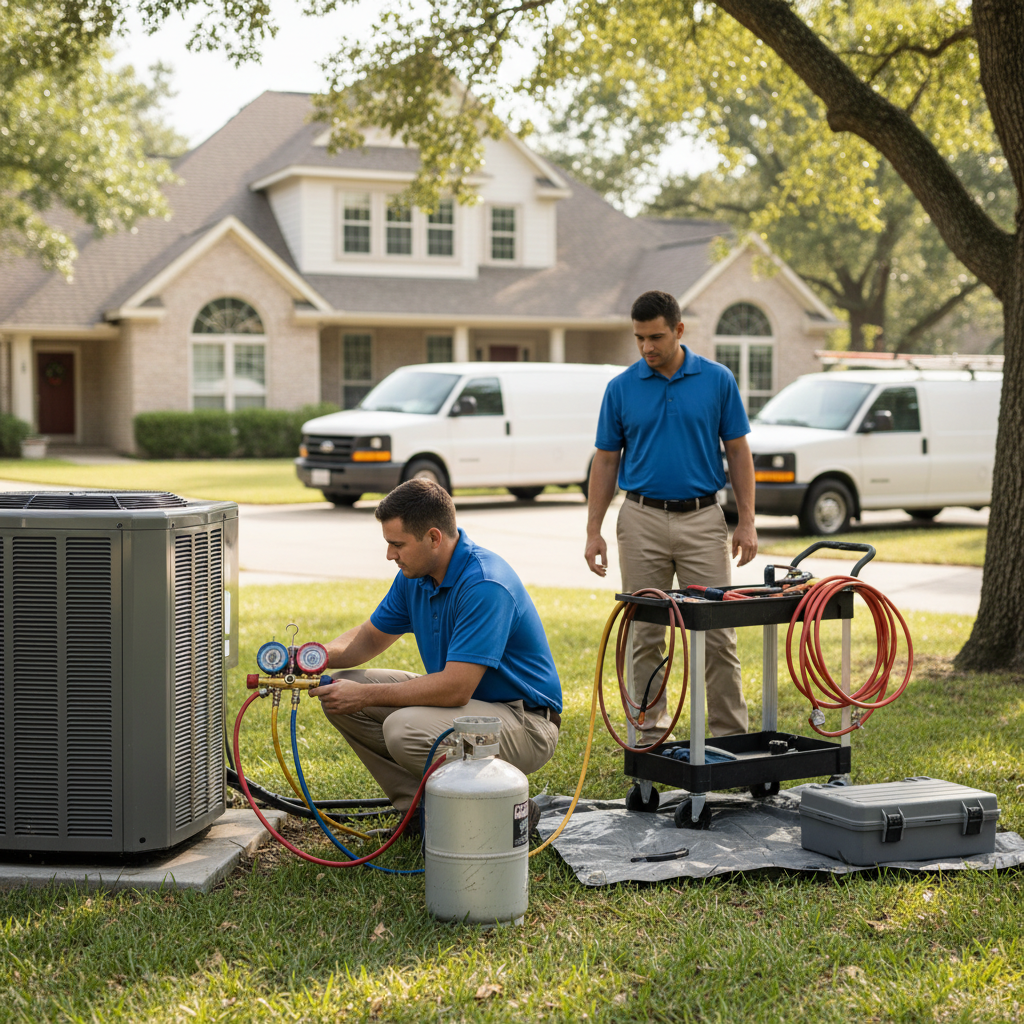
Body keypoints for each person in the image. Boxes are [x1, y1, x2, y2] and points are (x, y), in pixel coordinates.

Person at [310, 478, 561, 833]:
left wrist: (365, 695)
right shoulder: (417, 574)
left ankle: (503, 805)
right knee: (340, 688)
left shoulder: (485, 584)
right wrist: (311, 656)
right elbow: (368, 637)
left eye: (397, 544)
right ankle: (420, 816)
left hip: (526, 721)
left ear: (433, 537)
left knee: (402, 729)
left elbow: (455, 689)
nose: (389, 555)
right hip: (469, 707)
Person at [584, 289, 758, 745]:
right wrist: (593, 531)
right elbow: (605, 461)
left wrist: (747, 521)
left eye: (656, 337)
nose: (647, 348)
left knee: (719, 638)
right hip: (640, 519)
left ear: (679, 330)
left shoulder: (717, 380)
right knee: (645, 634)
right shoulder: (620, 388)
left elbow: (738, 452)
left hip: (703, 520)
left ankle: (730, 741)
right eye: (640, 338)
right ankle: (649, 740)